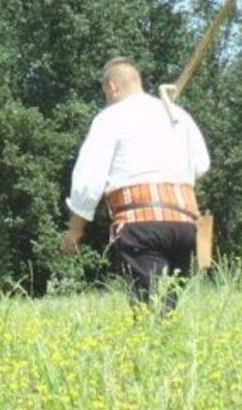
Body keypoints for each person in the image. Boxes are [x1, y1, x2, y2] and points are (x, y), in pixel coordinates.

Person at [60, 58, 210, 311]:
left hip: (142, 224)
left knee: (150, 312)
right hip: (185, 224)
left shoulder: (110, 118)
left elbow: (89, 178)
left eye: (104, 91)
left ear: (112, 87)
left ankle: (156, 347)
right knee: (168, 307)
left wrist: (76, 230)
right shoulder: (178, 115)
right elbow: (202, 165)